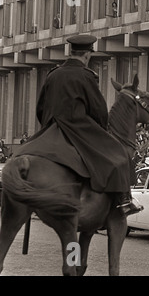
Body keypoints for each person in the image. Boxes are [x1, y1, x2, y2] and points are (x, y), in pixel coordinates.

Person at [14, 35, 142, 216]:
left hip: (51, 126)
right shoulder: (86, 76)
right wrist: (99, 131)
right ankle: (124, 201)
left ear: (71, 52)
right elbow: (98, 111)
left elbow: (40, 108)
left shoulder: (53, 74)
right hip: (79, 129)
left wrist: (48, 126)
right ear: (88, 55)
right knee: (119, 154)